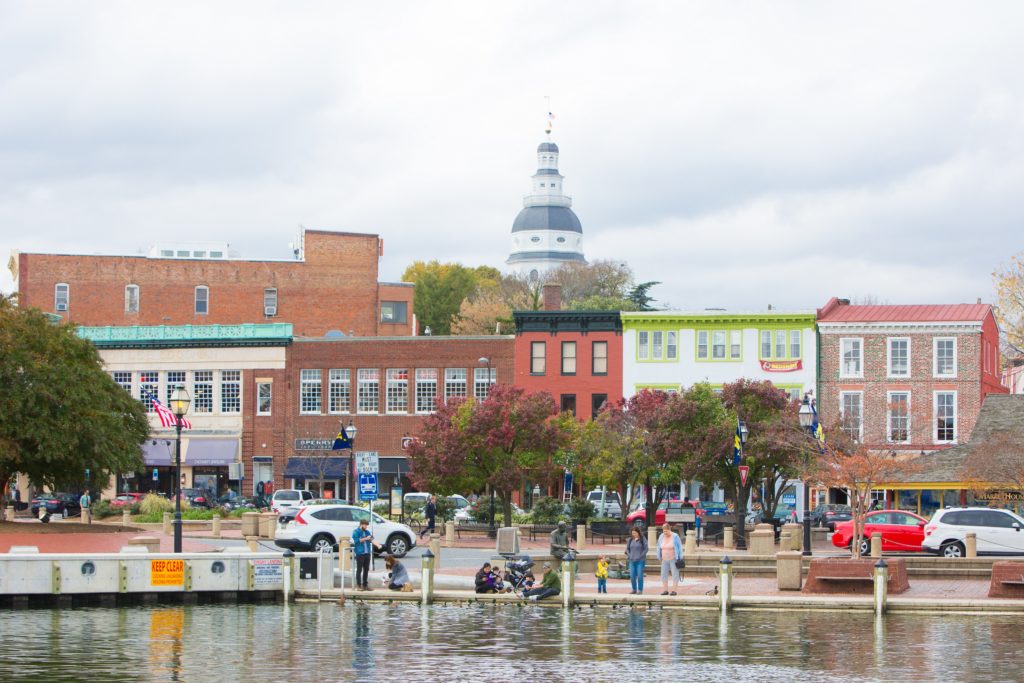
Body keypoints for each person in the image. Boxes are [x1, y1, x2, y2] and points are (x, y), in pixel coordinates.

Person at [657, 523, 683, 596]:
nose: (665, 533)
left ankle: (674, 590)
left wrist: (680, 557)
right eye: (664, 531)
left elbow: (679, 547)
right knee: (663, 574)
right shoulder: (661, 536)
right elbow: (659, 546)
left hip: (673, 558)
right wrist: (659, 556)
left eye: (666, 531)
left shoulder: (675, 536)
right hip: (664, 559)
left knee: (675, 574)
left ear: (669, 529)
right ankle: (665, 590)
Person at [351, 518, 377, 591]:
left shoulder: (367, 532)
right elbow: (356, 541)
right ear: (361, 524)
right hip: (360, 553)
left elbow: (372, 539)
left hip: (367, 553)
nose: (366, 527)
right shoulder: (356, 532)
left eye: (366, 525)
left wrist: (378, 545)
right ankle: (358, 586)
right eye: (365, 525)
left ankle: (365, 585)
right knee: (359, 570)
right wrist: (366, 538)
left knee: (366, 570)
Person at [625, 526, 648, 595]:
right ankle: (634, 589)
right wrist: (629, 556)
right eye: (633, 533)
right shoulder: (630, 539)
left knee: (640, 575)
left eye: (635, 533)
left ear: (638, 532)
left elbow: (646, 549)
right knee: (632, 576)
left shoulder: (642, 539)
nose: (634, 534)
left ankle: (640, 590)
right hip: (632, 560)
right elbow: (627, 549)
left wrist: (640, 556)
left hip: (640, 561)